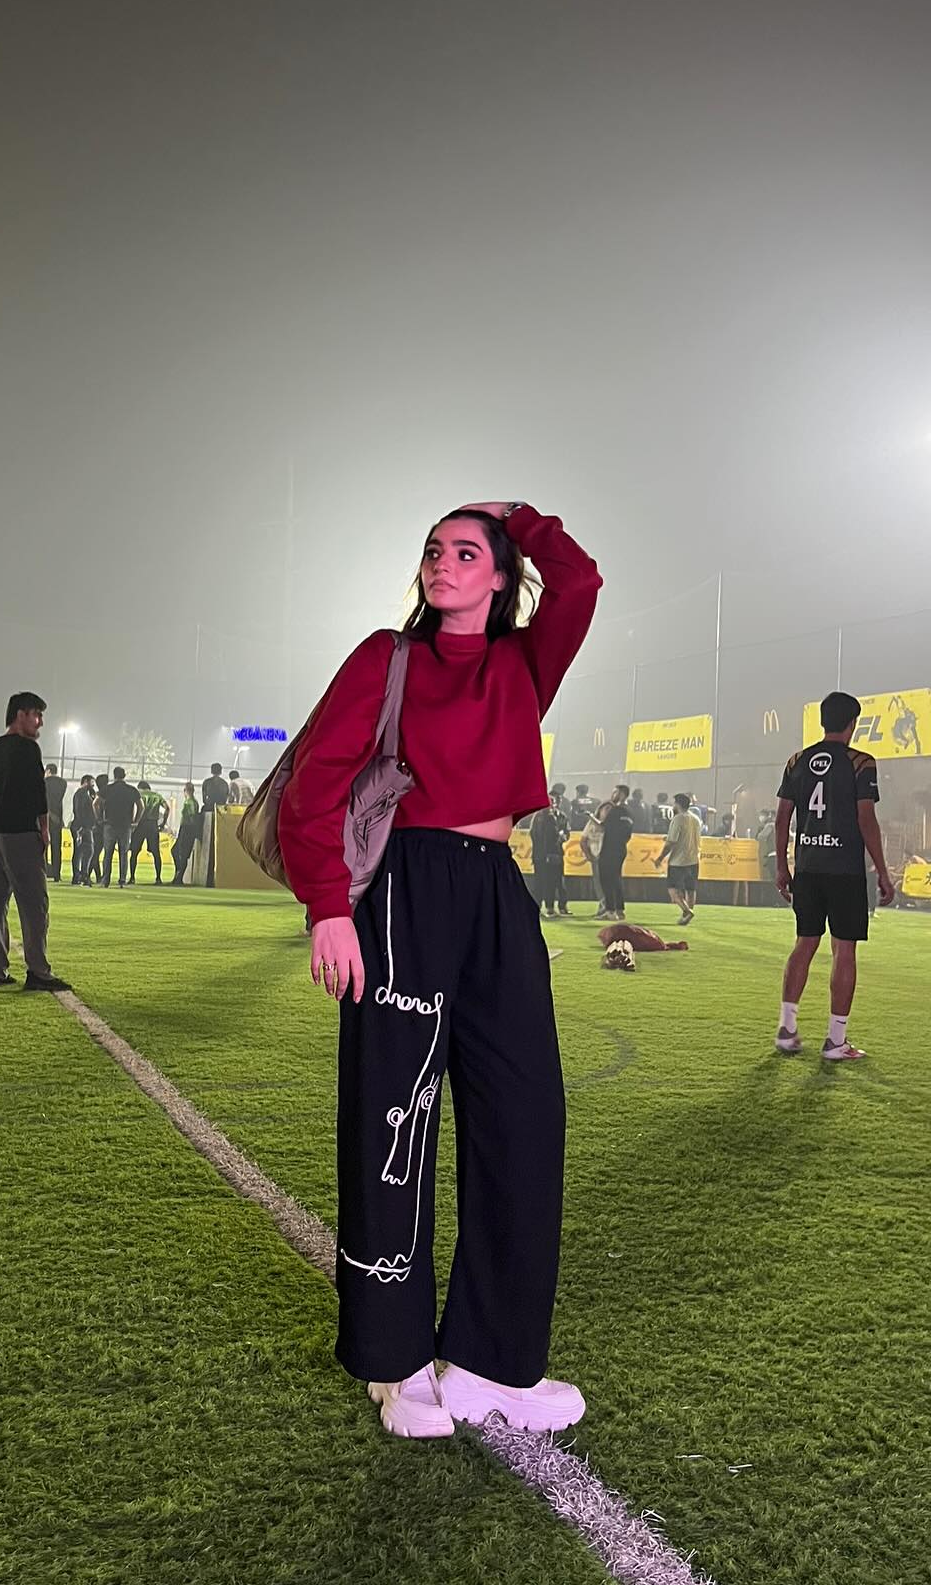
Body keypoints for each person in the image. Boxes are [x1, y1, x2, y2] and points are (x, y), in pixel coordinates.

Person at [278, 500, 601, 1441]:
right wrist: (330, 909)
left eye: (466, 553)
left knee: (525, 1114)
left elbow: (578, 583)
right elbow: (316, 782)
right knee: (395, 1116)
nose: (442, 564)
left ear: (500, 577)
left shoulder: (523, 664)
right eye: (433, 550)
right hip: (404, 895)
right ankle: (394, 1360)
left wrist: (515, 515)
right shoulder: (389, 657)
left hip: (497, 894)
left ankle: (495, 1361)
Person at [773, 690, 894, 1062]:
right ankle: (836, 1041)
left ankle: (787, 1028)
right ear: (853, 723)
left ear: (823, 721)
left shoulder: (798, 760)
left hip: (808, 868)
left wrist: (782, 866)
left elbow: (782, 818)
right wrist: (884, 872)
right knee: (844, 949)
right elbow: (865, 818)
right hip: (844, 870)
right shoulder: (861, 762)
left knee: (804, 943)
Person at [0, 692, 68, 990]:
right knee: (34, 904)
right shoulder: (28, 748)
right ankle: (39, 972)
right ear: (21, 714)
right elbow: (36, 792)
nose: (40, 722)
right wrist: (43, 829)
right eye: (36, 715)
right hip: (21, 833)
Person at [652, 791, 702, 925]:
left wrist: (660, 857)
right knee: (690, 889)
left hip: (678, 861)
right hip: (694, 859)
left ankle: (686, 911)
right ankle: (688, 915)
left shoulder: (678, 818)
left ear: (678, 804)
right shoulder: (696, 819)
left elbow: (671, 842)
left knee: (672, 889)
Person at [97, 766, 143, 888]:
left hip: (109, 824)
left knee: (108, 854)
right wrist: (136, 821)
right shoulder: (131, 790)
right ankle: (122, 880)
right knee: (124, 853)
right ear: (124, 775)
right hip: (125, 825)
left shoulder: (107, 789)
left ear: (114, 775)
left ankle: (105, 880)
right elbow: (141, 806)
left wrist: (99, 818)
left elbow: (95, 803)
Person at [594, 785, 633, 918]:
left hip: (609, 848)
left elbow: (603, 825)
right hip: (621, 848)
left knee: (606, 878)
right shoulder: (629, 812)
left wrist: (591, 817)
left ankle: (610, 910)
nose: (612, 794)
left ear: (621, 794)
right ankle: (619, 910)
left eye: (615, 792)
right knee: (616, 879)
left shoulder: (615, 810)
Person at [530, 795, 569, 919]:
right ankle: (546, 908)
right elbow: (545, 837)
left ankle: (545, 908)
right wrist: (546, 853)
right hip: (546, 855)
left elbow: (535, 836)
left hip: (548, 855)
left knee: (547, 882)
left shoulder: (543, 817)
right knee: (545, 883)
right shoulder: (544, 817)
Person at [128, 780, 169, 884]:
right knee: (156, 853)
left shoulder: (138, 794)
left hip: (140, 824)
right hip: (153, 825)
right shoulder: (157, 795)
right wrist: (163, 823)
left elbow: (133, 808)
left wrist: (133, 822)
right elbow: (167, 808)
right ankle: (158, 878)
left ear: (140, 787)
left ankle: (132, 878)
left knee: (135, 852)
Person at [69, 774, 99, 885]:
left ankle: (78, 876)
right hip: (82, 826)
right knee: (87, 851)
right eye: (92, 783)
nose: (93, 785)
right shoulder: (81, 793)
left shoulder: (83, 794)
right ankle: (82, 875)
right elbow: (79, 810)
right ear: (85, 781)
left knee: (80, 852)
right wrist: (81, 827)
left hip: (82, 826)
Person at [170, 781, 200, 884]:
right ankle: (178, 874)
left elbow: (192, 816)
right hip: (186, 829)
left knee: (182, 853)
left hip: (187, 829)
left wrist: (191, 829)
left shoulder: (189, 802)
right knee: (176, 851)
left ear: (185, 791)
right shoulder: (193, 801)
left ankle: (179, 877)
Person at [44, 763, 68, 882]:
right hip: (58, 817)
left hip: (44, 816)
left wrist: (49, 813)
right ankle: (56, 873)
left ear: (48, 770)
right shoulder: (63, 783)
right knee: (56, 846)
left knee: (43, 846)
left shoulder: (43, 782)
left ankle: (43, 872)